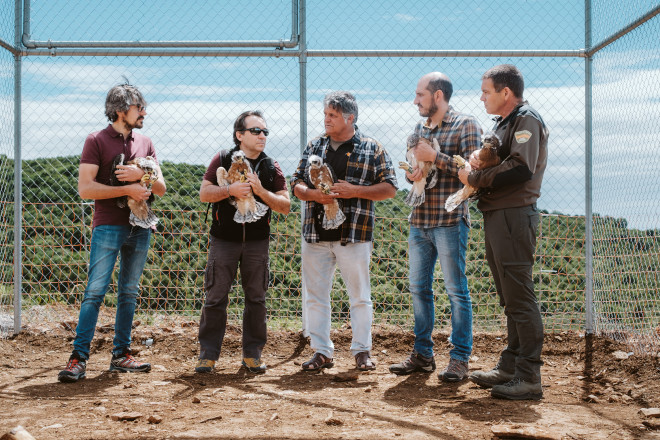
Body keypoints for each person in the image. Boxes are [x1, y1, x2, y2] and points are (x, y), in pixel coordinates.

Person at [58, 82, 167, 383]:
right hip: (107, 225)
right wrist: (128, 188)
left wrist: (141, 175)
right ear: (121, 111)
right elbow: (85, 188)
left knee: (129, 293)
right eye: (138, 107)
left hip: (141, 226)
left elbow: (161, 187)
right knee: (95, 292)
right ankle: (78, 359)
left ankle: (121, 356)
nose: (144, 112)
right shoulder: (96, 140)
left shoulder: (145, 142)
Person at [458, 64, 548, 400]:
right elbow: (504, 161)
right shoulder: (505, 123)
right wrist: (481, 161)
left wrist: (474, 178)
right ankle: (510, 367)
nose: (481, 97)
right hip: (499, 214)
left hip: (513, 215)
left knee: (520, 298)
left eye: (486, 91)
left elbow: (522, 168)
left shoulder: (527, 119)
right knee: (510, 298)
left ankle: (529, 377)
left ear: (505, 93)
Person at [291, 91, 398, 372]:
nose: (326, 119)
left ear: (350, 118)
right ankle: (321, 351)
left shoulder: (372, 148)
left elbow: (390, 188)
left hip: (354, 235)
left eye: (333, 115)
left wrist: (355, 192)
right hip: (315, 235)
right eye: (326, 114)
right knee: (315, 295)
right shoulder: (314, 145)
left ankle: (362, 351)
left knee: (360, 296)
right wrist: (313, 195)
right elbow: (296, 183)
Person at [389, 72, 482, 381]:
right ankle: (423, 354)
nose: (415, 100)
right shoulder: (419, 128)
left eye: (420, 95)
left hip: (450, 221)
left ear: (438, 96)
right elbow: (414, 170)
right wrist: (413, 174)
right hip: (419, 220)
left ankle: (459, 359)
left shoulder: (466, 125)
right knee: (418, 289)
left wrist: (436, 156)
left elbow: (473, 175)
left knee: (456, 291)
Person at [195, 110, 290, 374]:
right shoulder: (223, 158)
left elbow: (285, 205)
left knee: (256, 299)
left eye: (265, 132)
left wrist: (260, 190)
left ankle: (252, 355)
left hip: (257, 242)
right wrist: (229, 190)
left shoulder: (271, 166)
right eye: (256, 131)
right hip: (223, 239)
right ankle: (208, 355)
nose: (262, 136)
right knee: (215, 297)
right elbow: (204, 194)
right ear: (240, 135)